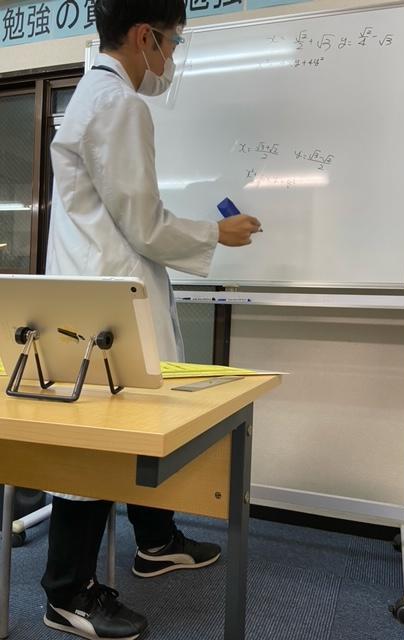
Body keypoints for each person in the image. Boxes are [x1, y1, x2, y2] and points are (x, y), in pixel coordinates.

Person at [42, 1, 262, 639]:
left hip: (103, 293)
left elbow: (128, 218)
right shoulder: (118, 104)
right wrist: (215, 232)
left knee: (132, 426)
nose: (172, 57)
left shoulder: (96, 97)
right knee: (96, 448)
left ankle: (156, 539)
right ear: (145, 36)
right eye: (172, 42)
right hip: (104, 305)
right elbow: (145, 223)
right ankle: (67, 593)